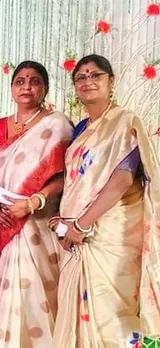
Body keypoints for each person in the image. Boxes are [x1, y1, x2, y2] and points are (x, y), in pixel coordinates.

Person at [52, 54, 160, 346]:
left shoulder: (125, 121)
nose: (88, 81)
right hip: (75, 236)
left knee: (110, 315)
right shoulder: (79, 130)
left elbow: (122, 180)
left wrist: (83, 224)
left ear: (111, 82)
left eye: (95, 75)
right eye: (81, 77)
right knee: (74, 313)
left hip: (109, 236)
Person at [0, 61, 73, 347]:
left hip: (37, 225)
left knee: (35, 294)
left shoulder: (57, 125)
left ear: (44, 88)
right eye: (20, 81)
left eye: (34, 81)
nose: (27, 87)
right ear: (11, 88)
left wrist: (33, 202)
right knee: (2, 292)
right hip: (2, 223)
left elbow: (65, 175)